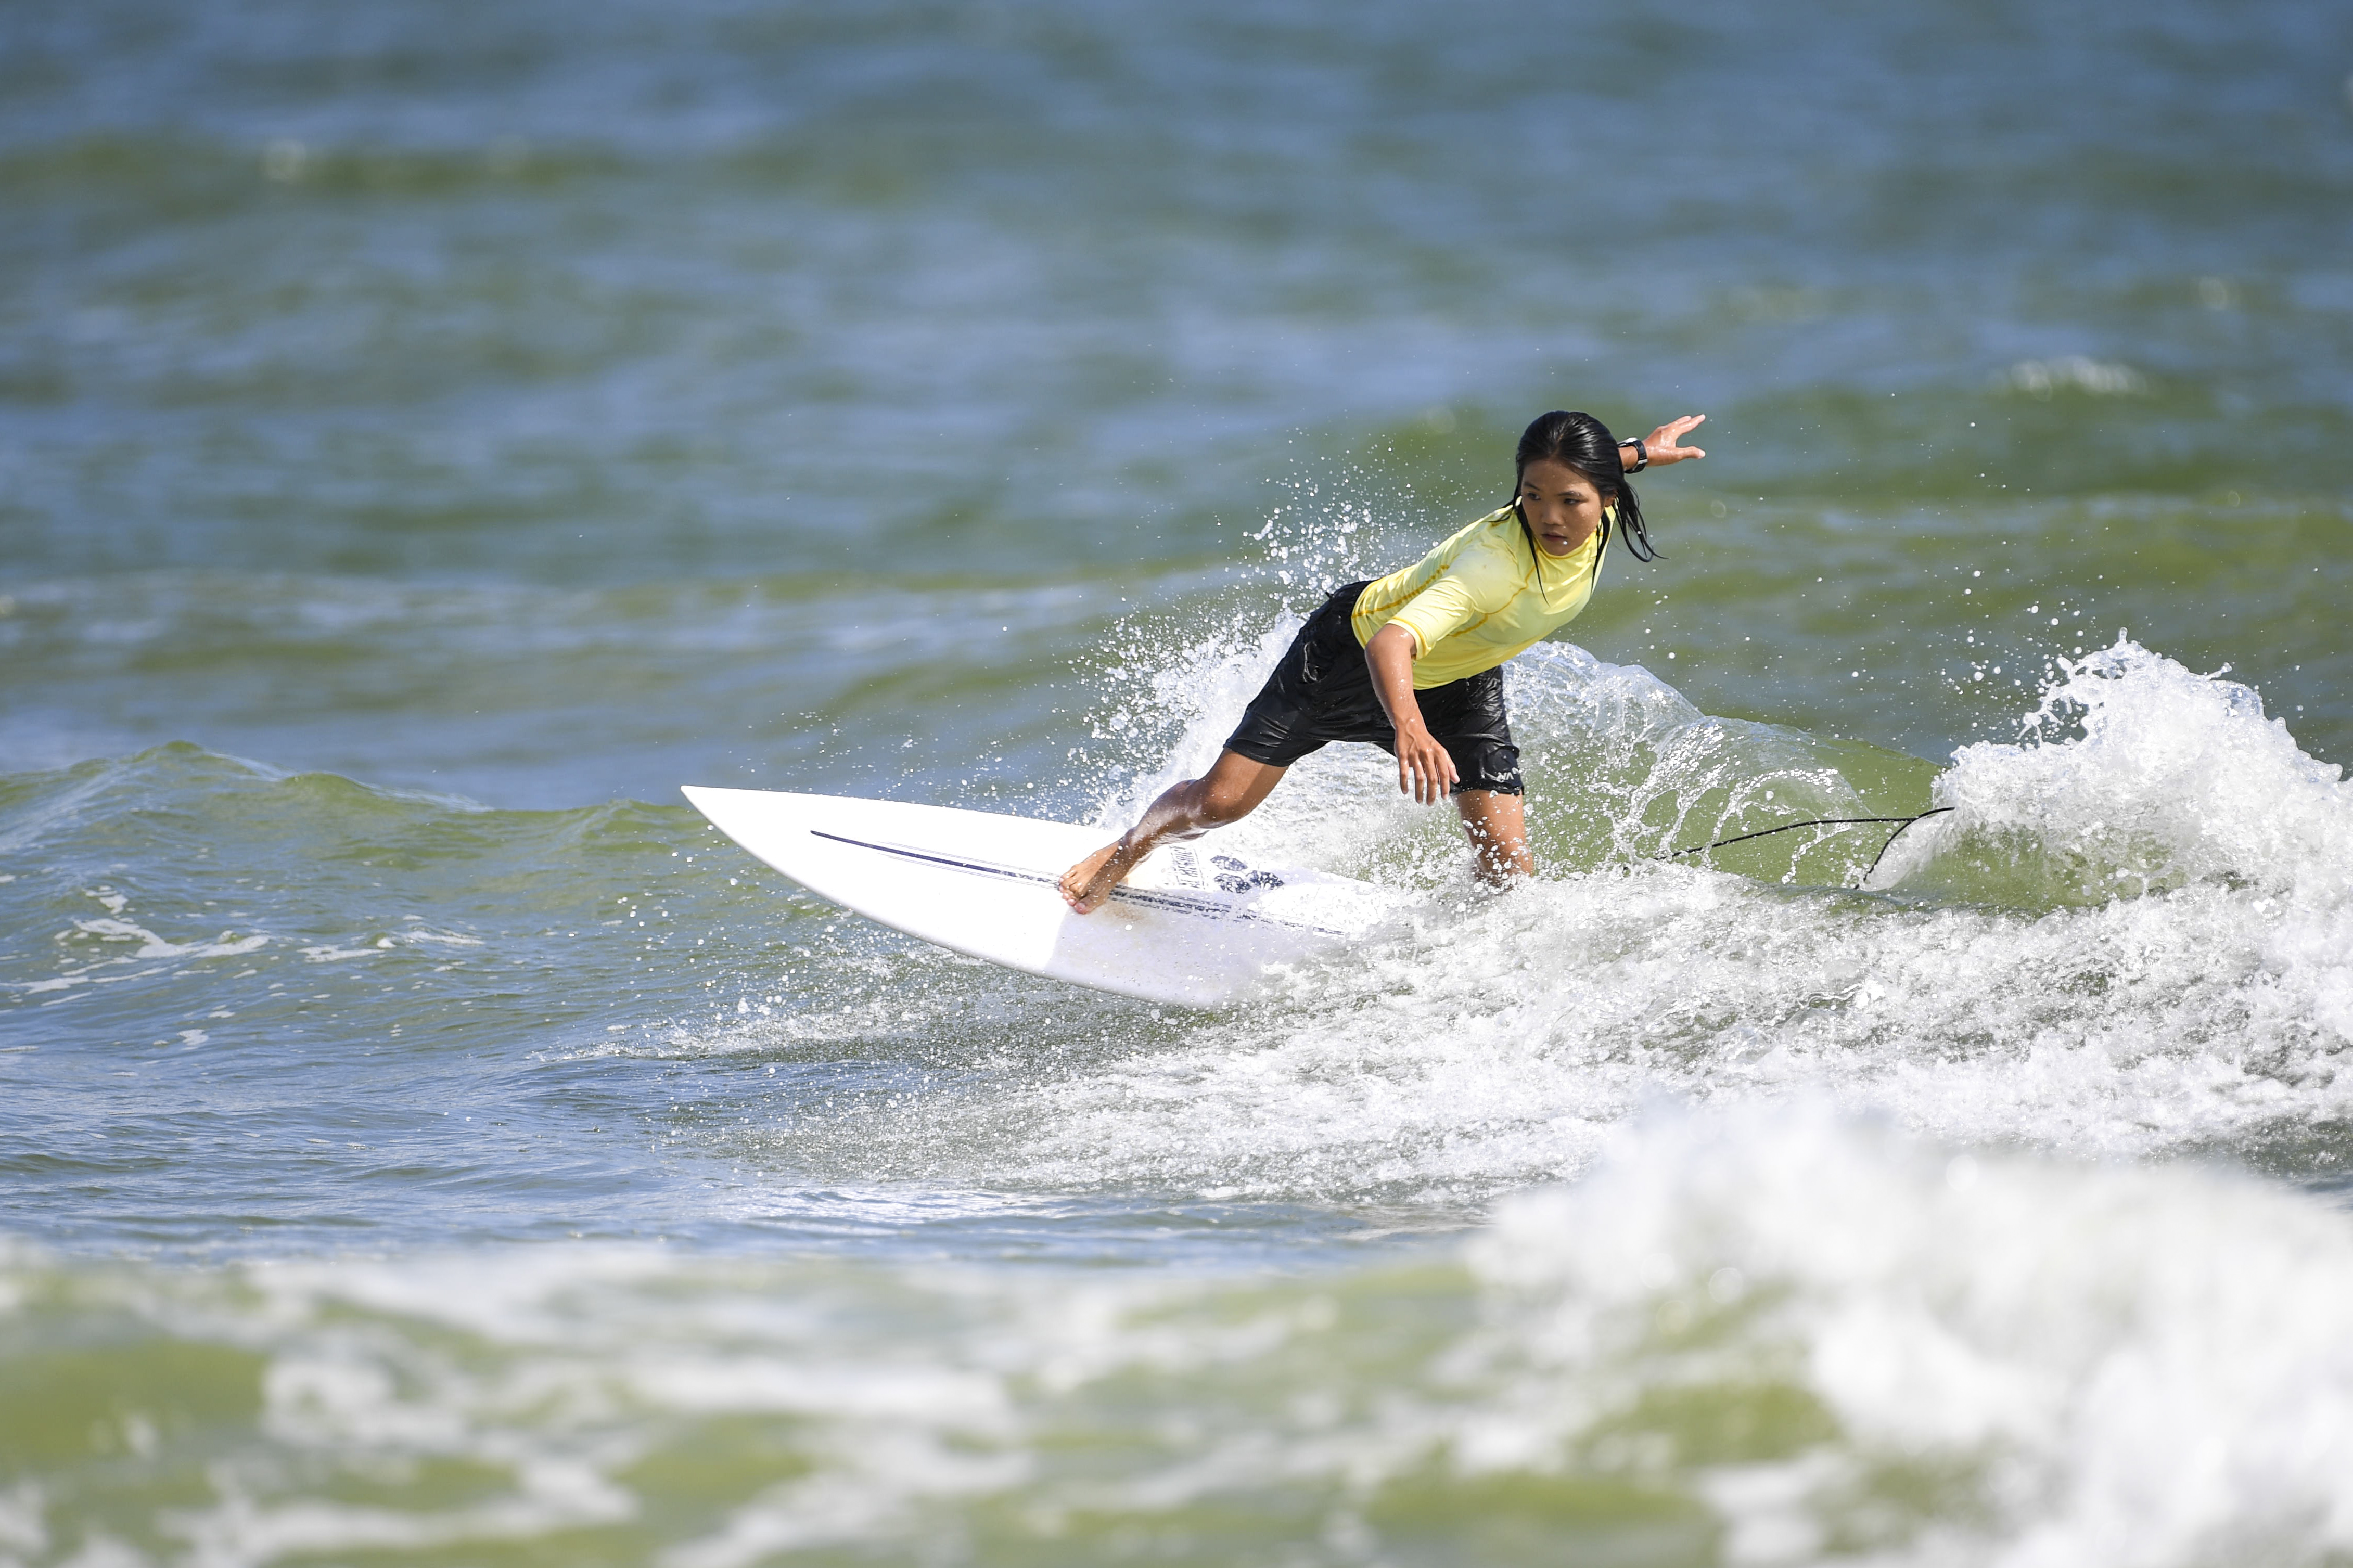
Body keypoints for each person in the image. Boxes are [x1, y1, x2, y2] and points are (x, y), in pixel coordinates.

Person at [1058, 409, 1707, 913]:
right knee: (1220, 803)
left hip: (1457, 674)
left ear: (1607, 495)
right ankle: (1125, 851)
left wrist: (1643, 451)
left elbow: (1595, 469)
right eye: (1533, 496)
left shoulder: (1596, 510)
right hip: (1346, 655)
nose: (1548, 515)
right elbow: (1389, 641)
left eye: (1570, 500)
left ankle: (1480, 961)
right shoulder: (1494, 569)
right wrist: (1409, 726)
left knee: (1508, 865)